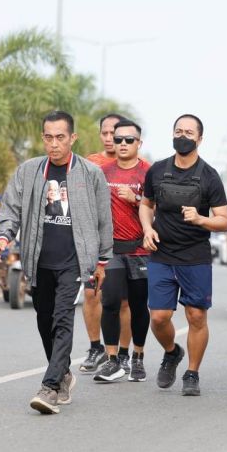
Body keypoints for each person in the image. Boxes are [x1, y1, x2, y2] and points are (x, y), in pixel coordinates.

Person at [0, 111, 113, 414]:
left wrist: (101, 262)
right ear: (43, 138)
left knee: (61, 319)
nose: (54, 144)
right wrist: (3, 236)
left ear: (72, 138)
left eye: (61, 137)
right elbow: (11, 208)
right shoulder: (29, 171)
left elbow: (103, 220)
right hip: (38, 259)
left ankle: (49, 386)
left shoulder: (90, 174)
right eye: (49, 137)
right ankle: (63, 375)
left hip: (75, 260)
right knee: (44, 319)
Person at [139, 114, 227, 396]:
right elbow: (145, 204)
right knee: (158, 317)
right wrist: (147, 229)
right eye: (178, 131)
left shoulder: (209, 176)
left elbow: (224, 220)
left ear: (199, 139)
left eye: (189, 133)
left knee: (196, 316)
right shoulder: (157, 170)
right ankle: (171, 352)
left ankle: (192, 372)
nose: (183, 136)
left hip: (195, 256)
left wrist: (201, 219)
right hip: (162, 254)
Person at [94, 120, 152, 383]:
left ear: (139, 143)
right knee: (110, 302)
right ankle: (112, 359)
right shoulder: (102, 173)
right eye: (118, 140)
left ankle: (137, 358)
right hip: (112, 249)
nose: (123, 144)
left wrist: (137, 200)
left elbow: (162, 209)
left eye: (129, 140)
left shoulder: (149, 173)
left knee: (139, 305)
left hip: (141, 250)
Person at [79, 113, 127, 374]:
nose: (110, 139)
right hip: (94, 243)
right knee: (91, 293)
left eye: (115, 134)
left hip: (125, 243)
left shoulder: (136, 164)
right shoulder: (90, 163)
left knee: (120, 302)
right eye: (105, 133)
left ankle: (121, 353)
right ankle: (95, 347)